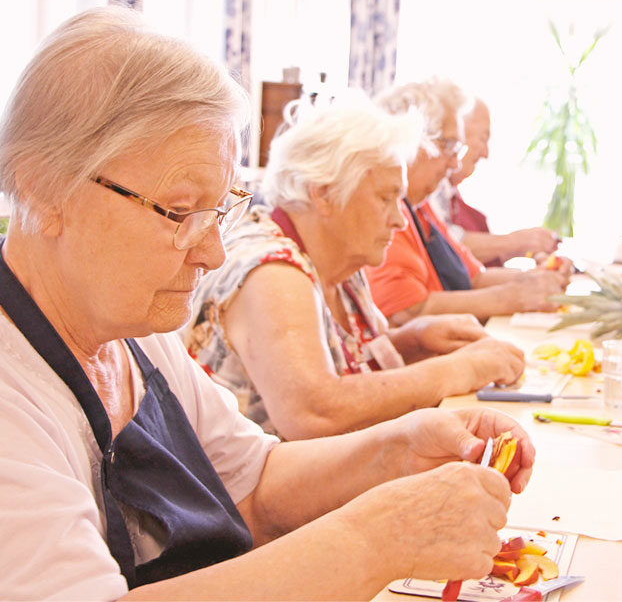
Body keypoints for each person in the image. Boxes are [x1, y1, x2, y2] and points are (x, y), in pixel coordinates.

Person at [0, 6, 535, 601]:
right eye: (179, 213)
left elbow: (252, 483)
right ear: (44, 189)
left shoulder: (127, 325)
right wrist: (380, 537)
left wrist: (399, 448)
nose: (210, 253)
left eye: (220, 209)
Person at [185, 92, 525, 440]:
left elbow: (340, 359)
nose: (400, 220)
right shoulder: (271, 270)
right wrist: (458, 369)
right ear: (324, 194)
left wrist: (415, 340)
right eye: (385, 198)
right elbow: (315, 412)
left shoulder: (338, 261)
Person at [365, 78, 572, 326]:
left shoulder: (421, 207)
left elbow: (474, 277)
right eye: (449, 146)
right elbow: (406, 311)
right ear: (412, 142)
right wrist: (514, 297)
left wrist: (535, 280)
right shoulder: (387, 214)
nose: (455, 163)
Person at [430, 97, 561, 267]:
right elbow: (443, 245)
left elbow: (472, 266)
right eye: (483, 139)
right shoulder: (428, 194)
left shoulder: (451, 193)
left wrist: (529, 249)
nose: (486, 153)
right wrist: (514, 242)